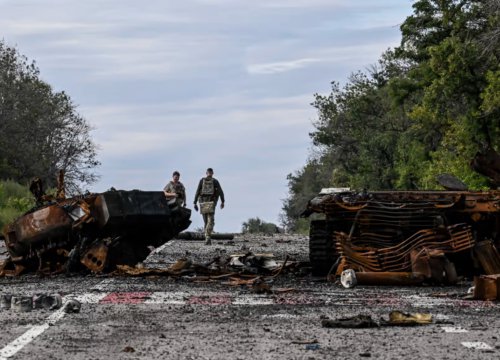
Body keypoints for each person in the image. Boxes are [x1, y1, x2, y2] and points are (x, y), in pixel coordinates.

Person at [193, 168, 225, 245]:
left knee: (206, 221)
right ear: (212, 173)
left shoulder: (202, 180)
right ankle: (207, 237)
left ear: (206, 173)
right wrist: (222, 201)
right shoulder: (215, 181)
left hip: (203, 202)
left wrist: (194, 203)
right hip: (211, 202)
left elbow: (197, 191)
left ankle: (207, 237)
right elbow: (220, 191)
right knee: (210, 221)